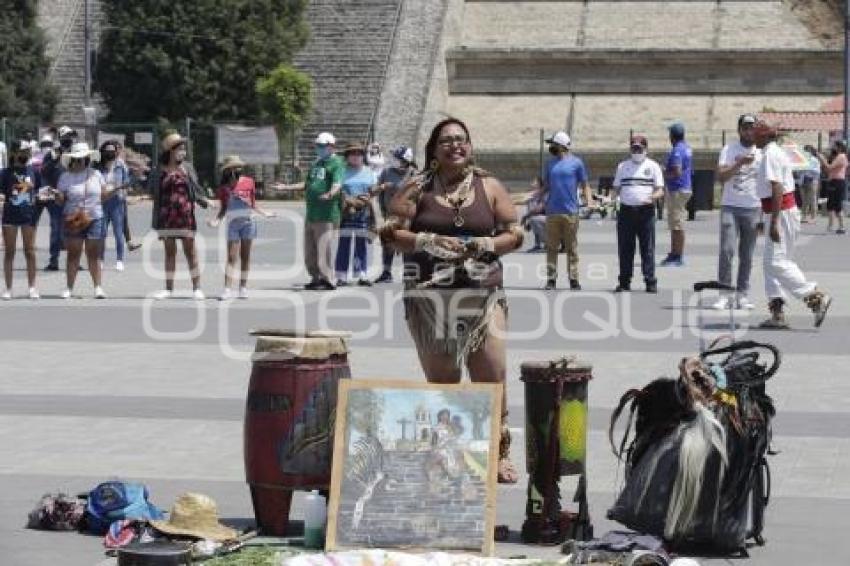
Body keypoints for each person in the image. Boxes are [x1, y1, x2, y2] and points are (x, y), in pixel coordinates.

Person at [385, 117, 524, 483]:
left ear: (471, 146)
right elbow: (390, 233)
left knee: (491, 376)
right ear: (433, 149)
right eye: (446, 140)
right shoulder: (416, 187)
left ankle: (498, 451)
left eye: (462, 139)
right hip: (429, 299)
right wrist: (425, 242)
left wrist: (486, 244)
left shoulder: (489, 185)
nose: (455, 145)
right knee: (444, 381)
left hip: (483, 295)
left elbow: (514, 232)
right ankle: (452, 451)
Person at [752, 121, 832, 329]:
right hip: (780, 211)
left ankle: (813, 296)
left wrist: (774, 222)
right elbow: (771, 191)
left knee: (776, 263)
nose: (752, 137)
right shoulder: (773, 152)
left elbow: (777, 188)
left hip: (781, 213)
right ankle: (777, 311)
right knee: (773, 263)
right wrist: (765, 218)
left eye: (755, 134)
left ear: (763, 136)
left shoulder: (770, 154)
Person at [148, 132, 210, 300]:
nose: (183, 152)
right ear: (170, 151)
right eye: (180, 149)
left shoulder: (187, 167)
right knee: (170, 253)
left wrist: (205, 201)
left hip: (185, 215)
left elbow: (196, 189)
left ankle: (197, 288)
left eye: (184, 149)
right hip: (166, 216)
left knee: (191, 252)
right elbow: (152, 190)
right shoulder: (159, 169)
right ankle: (168, 289)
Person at [281, 132, 344, 290]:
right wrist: (286, 187)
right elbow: (308, 184)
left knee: (324, 247)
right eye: (318, 146)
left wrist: (330, 193)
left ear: (331, 147)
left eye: (322, 146)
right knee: (310, 249)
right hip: (312, 213)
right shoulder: (317, 163)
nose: (319, 148)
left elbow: (337, 183)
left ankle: (327, 279)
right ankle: (315, 277)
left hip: (326, 213)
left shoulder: (336, 163)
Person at [712, 114, 762, 310]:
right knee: (727, 250)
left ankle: (742, 293)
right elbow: (721, 177)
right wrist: (739, 163)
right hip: (730, 206)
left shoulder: (761, 151)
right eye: (745, 127)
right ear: (739, 129)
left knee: (747, 254)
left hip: (753, 207)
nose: (749, 131)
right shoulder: (729, 149)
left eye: (752, 127)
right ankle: (724, 293)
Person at [210, 155, 276, 300]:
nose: (237, 169)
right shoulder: (224, 188)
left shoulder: (249, 182)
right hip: (233, 224)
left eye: (239, 167)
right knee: (231, 257)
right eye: (234, 167)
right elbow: (223, 208)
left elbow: (253, 203)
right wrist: (216, 221)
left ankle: (243, 288)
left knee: (245, 257)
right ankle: (227, 289)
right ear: (228, 170)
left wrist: (265, 213)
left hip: (248, 223)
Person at [55, 142, 114, 299]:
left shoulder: (96, 174)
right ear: (72, 159)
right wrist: (57, 195)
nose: (82, 160)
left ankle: (98, 287)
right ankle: (69, 288)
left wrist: (112, 191)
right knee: (73, 254)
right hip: (74, 219)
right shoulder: (65, 177)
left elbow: (103, 196)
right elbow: (60, 201)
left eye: (84, 157)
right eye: (78, 158)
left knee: (93, 254)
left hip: (94, 217)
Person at [611, 135, 664, 293]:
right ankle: (624, 281)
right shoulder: (622, 166)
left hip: (645, 211)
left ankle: (650, 281)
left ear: (645, 150)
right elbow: (616, 189)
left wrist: (652, 197)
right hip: (626, 211)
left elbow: (660, 189)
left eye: (639, 148)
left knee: (647, 247)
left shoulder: (653, 166)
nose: (636, 151)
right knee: (625, 248)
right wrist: (611, 201)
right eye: (634, 148)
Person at [542, 131, 592, 290]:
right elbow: (546, 186)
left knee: (572, 248)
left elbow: (585, 184)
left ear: (561, 146)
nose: (551, 147)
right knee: (551, 247)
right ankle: (551, 279)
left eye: (553, 144)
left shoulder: (576, 163)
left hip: (571, 211)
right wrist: (530, 196)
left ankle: (574, 279)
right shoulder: (549, 164)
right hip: (552, 211)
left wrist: (589, 201)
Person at [1, 141, 42, 299]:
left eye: (27, 152)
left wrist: (42, 196)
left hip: (29, 215)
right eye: (22, 151)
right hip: (10, 215)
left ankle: (32, 288)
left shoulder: (34, 171)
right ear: (14, 153)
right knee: (9, 252)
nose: (25, 155)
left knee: (30, 251)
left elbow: (39, 191)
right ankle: (8, 289)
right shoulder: (5, 173)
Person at [335, 143, 377, 286]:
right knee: (344, 245)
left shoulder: (369, 172)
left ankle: (362, 274)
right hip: (346, 213)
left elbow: (373, 191)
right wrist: (346, 199)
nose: (355, 156)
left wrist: (370, 196)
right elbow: (337, 190)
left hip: (363, 213)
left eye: (358, 154)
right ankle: (341, 276)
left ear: (362, 156)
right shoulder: (341, 171)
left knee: (361, 246)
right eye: (352, 154)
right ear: (347, 157)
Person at [373, 145, 416, 283]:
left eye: (397, 158)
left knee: (407, 243)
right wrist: (382, 209)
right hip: (390, 215)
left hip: (407, 216)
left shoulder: (414, 174)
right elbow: (378, 191)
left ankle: (408, 273)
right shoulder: (386, 172)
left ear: (405, 160)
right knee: (388, 243)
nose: (394, 160)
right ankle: (386, 272)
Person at [40, 125, 78, 271]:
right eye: (67, 136)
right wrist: (55, 159)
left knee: (74, 230)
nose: (69, 139)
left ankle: (75, 261)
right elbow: (43, 171)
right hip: (56, 198)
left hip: (73, 197)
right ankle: (54, 261)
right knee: (56, 229)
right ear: (61, 138)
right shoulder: (52, 153)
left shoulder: (77, 153)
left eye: (71, 136)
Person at [660, 122, 693, 266]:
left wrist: (664, 172)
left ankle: (677, 255)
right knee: (675, 223)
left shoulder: (677, 151)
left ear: (672, 136)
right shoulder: (687, 148)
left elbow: (677, 171)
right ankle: (674, 252)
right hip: (684, 187)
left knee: (677, 224)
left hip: (677, 190)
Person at [96, 140, 131, 272]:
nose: (110, 153)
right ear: (103, 152)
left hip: (117, 201)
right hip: (103, 201)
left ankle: (119, 260)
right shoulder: (99, 167)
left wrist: (120, 187)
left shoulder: (121, 165)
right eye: (108, 151)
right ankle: (100, 260)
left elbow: (127, 180)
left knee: (118, 232)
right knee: (102, 232)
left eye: (112, 151)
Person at [812, 140, 847, 234]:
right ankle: (833, 226)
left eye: (834, 145)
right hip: (834, 181)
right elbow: (829, 170)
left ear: (839, 147)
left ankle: (839, 226)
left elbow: (829, 167)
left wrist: (822, 158)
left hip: (837, 182)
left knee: (835, 205)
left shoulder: (841, 156)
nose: (833, 147)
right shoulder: (839, 156)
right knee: (831, 205)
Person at [520, 176, 546, 253]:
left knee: (534, 220)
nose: (532, 182)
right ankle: (537, 245)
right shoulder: (534, 194)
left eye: (534, 181)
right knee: (533, 219)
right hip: (537, 216)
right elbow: (521, 199)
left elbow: (540, 209)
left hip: (545, 216)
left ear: (539, 183)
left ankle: (547, 244)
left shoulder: (542, 193)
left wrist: (526, 217)